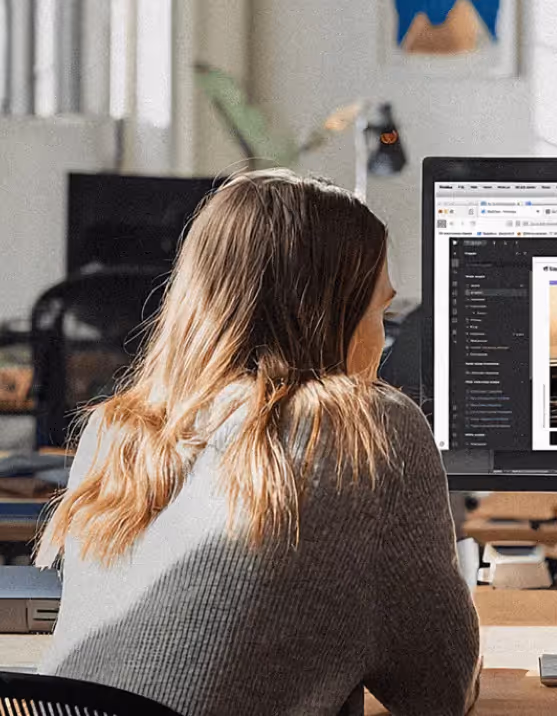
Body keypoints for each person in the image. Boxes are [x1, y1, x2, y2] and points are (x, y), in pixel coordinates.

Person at [36, 169, 481, 716]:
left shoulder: (113, 429)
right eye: (378, 312)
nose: (381, 342)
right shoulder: (367, 430)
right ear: (330, 318)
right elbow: (440, 693)